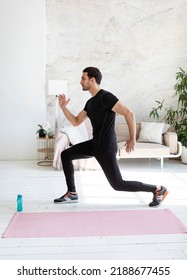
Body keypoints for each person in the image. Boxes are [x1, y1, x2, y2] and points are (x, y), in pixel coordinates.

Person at [54, 67, 168, 207]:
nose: (80, 82)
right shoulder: (90, 103)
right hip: (95, 145)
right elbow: (76, 121)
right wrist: (63, 108)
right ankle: (72, 193)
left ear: (92, 79)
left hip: (106, 148)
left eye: (83, 78)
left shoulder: (105, 97)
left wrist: (133, 138)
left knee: (118, 184)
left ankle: (158, 189)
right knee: (66, 155)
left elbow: (129, 113)